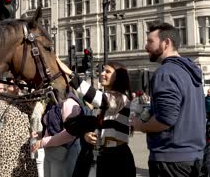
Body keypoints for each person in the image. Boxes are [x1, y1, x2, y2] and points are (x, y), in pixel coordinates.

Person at [131, 22, 205, 177]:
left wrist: (140, 126)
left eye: (150, 41)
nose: (146, 46)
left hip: (171, 160)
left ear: (166, 43)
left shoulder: (166, 73)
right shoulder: (190, 71)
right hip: (193, 157)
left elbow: (166, 119)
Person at [69, 62, 136, 177]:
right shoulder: (102, 101)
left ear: (118, 77)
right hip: (99, 156)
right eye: (103, 70)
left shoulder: (121, 99)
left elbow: (97, 97)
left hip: (116, 158)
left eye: (108, 72)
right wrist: (86, 135)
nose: (102, 73)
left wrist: (70, 74)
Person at [0, 76, 37, 177]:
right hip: (5, 150)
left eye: (17, 83)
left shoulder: (24, 101)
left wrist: (24, 87)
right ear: (6, 87)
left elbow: (36, 97)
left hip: (23, 149)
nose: (16, 86)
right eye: (13, 83)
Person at [30, 87, 82, 177]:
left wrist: (42, 142)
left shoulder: (69, 103)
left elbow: (70, 134)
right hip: (51, 153)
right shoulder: (53, 103)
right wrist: (40, 134)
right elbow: (53, 128)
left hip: (63, 154)